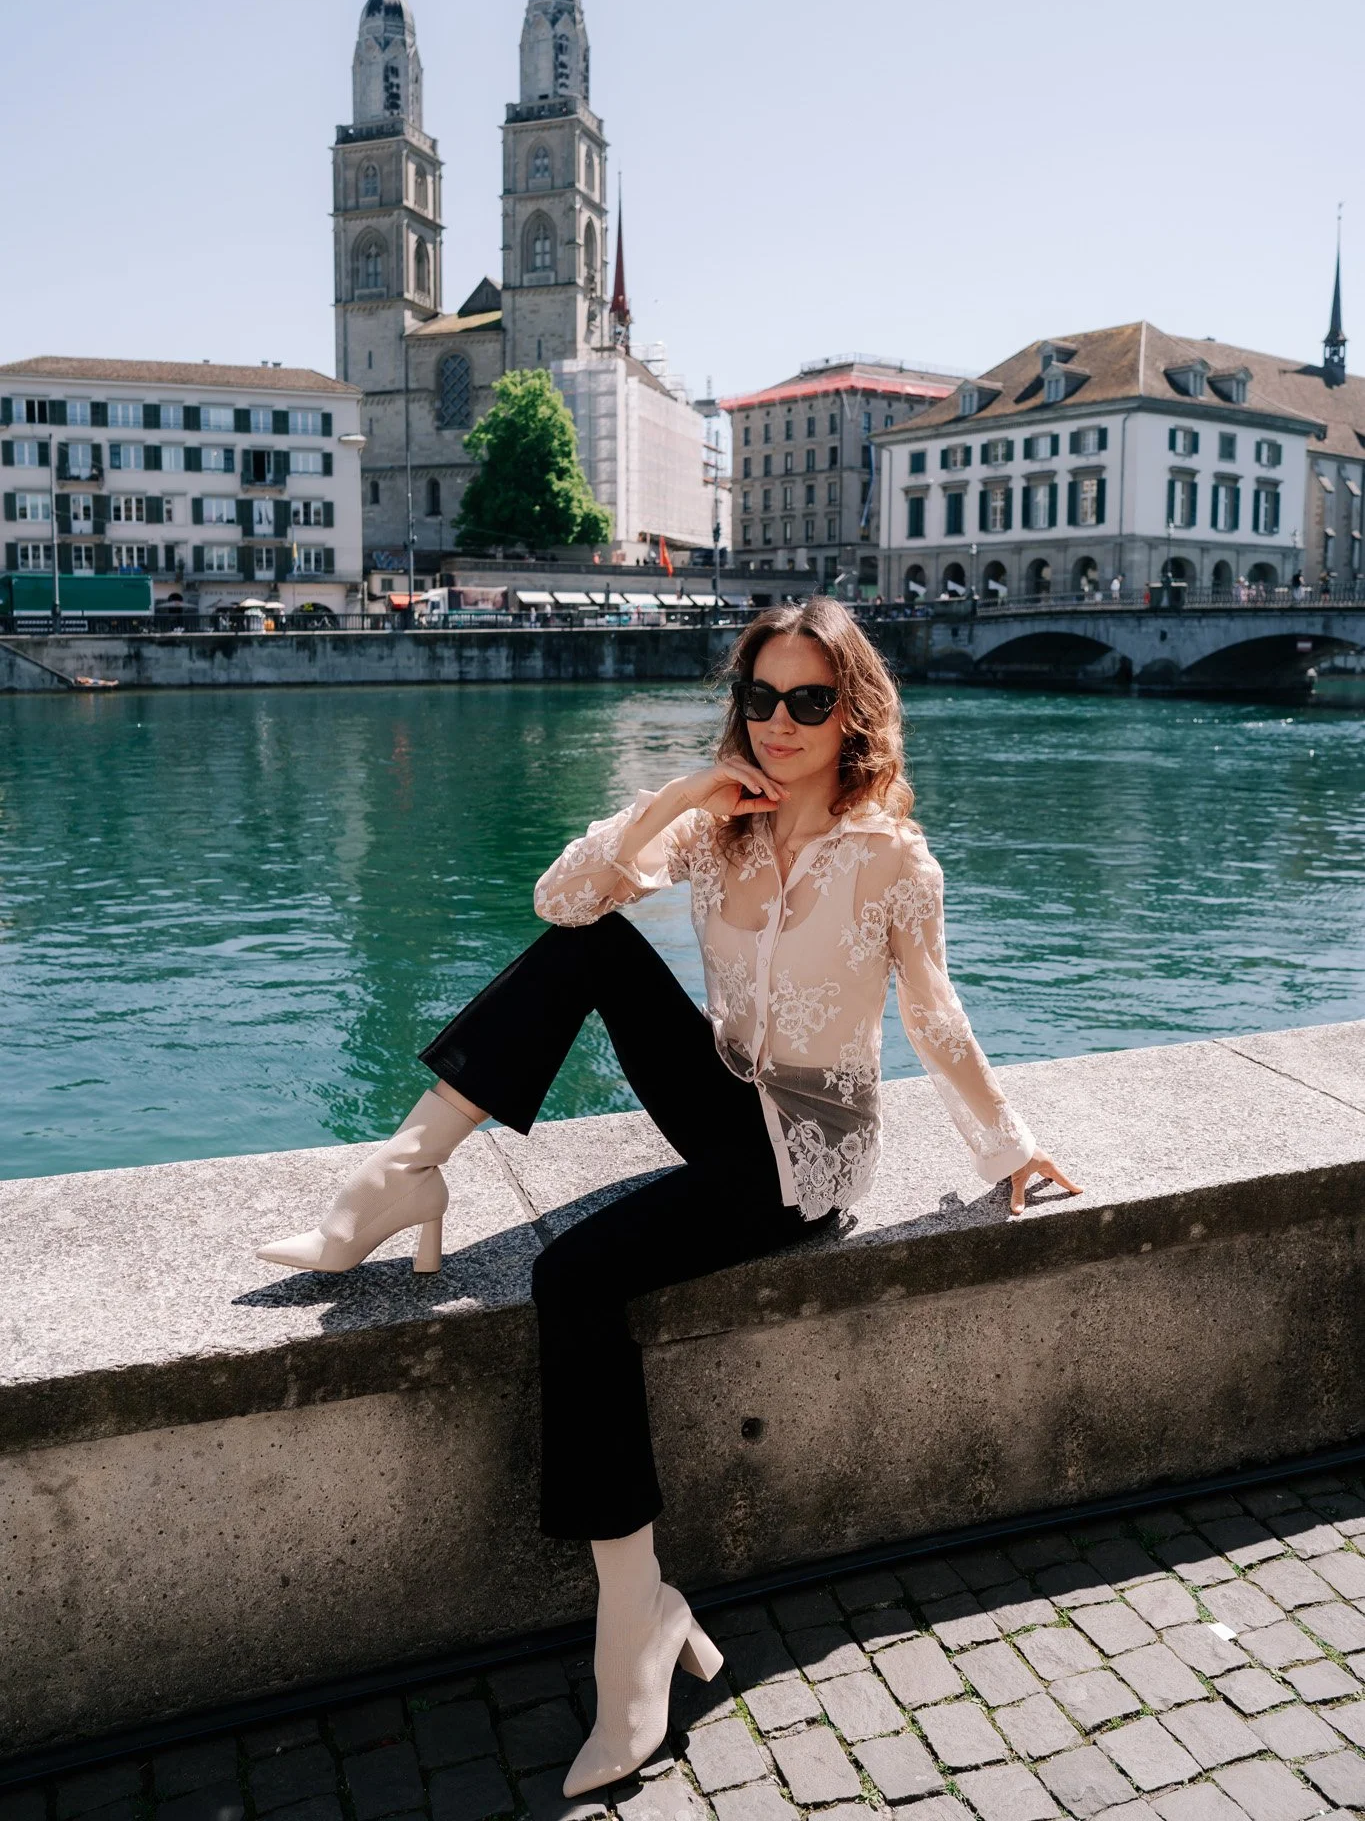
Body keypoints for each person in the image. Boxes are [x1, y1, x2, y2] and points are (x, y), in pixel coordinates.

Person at [255, 598, 1081, 1797]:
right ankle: (404, 1169)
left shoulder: (891, 855)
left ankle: (634, 1618)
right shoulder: (721, 831)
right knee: (590, 942)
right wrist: (684, 797)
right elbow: (559, 900)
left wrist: (1011, 1143)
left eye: (809, 700)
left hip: (806, 1157)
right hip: (722, 1102)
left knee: (571, 1276)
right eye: (760, 697)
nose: (782, 722)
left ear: (853, 711)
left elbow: (931, 1009)